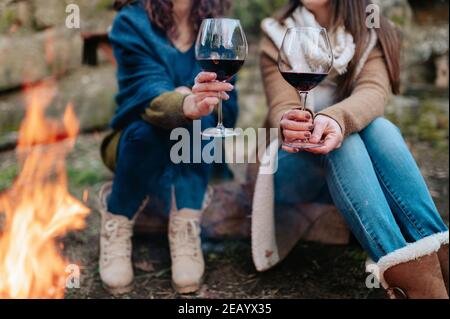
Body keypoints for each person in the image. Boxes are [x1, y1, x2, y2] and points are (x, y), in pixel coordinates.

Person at [253, 0, 449, 299]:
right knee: (347, 142)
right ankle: (412, 284)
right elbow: (283, 104)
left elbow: (373, 92)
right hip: (294, 167)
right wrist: (289, 121)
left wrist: (334, 120)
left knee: (377, 128)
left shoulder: (371, 28)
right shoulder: (277, 31)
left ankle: (433, 277)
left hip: (354, 174)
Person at [99, 0, 236, 294]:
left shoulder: (216, 26)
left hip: (196, 146)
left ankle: (186, 222)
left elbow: (229, 106)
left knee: (201, 124)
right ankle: (117, 220)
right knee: (153, 127)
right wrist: (187, 103)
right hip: (138, 146)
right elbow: (148, 92)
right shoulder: (131, 23)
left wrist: (202, 107)